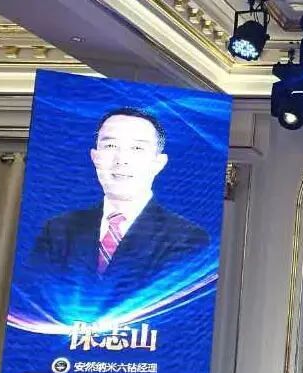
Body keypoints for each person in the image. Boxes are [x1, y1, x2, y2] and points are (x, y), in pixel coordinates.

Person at [26, 107, 210, 298]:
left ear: (159, 163)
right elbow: (34, 296)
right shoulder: (58, 229)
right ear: (94, 156)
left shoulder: (187, 238)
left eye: (137, 148)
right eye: (111, 146)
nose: (121, 160)